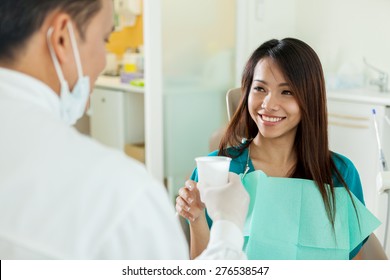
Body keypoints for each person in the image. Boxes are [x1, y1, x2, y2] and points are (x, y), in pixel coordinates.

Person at [0, 0, 249, 259]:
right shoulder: (120, 197)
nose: (103, 61)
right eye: (105, 39)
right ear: (63, 38)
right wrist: (227, 228)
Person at [176, 38, 379, 260]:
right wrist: (196, 219)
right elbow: (204, 267)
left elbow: (354, 260)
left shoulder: (340, 173)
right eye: (260, 88)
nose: (269, 104)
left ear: (309, 99)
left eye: (287, 92)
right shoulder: (217, 170)